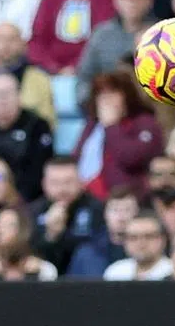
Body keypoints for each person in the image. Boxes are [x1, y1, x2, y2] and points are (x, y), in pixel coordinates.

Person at [73, 69, 164, 200]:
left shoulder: (145, 123)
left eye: (113, 93)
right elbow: (76, 158)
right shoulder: (93, 125)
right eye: (101, 94)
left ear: (127, 96)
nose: (106, 100)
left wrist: (111, 127)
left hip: (128, 199)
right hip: (89, 198)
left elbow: (132, 158)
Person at [0, 72, 52, 201]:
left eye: (7, 93)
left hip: (27, 200)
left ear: (19, 96)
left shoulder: (37, 126)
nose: (3, 100)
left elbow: (39, 171)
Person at [76, 0, 156, 97]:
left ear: (149, 1)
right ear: (116, 0)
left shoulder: (162, 33)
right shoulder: (102, 34)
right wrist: (95, 104)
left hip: (150, 107)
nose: (132, 2)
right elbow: (84, 78)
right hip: (108, 106)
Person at [29, 155, 106, 273]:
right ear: (44, 184)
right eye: (55, 183)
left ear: (81, 182)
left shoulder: (97, 209)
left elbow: (99, 247)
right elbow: (32, 251)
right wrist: (51, 235)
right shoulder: (32, 211)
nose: (62, 189)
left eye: (68, 182)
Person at [66, 185, 138, 277]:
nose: (121, 217)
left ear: (137, 213)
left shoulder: (147, 251)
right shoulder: (86, 253)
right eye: (115, 210)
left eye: (127, 210)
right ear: (105, 214)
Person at [103, 211, 173, 281]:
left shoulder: (173, 271)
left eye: (148, 236)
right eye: (133, 237)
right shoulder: (115, 271)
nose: (141, 243)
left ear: (163, 239)